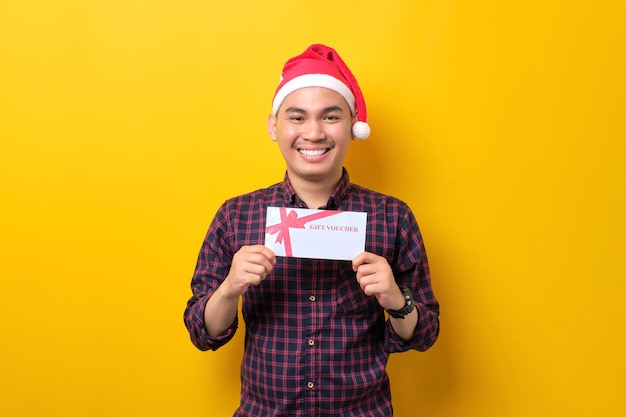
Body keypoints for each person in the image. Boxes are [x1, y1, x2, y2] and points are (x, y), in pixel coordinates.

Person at [184, 44, 440, 417]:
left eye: (331, 117)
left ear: (352, 125)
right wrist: (229, 289)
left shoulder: (393, 216)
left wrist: (397, 301)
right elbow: (201, 331)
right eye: (298, 117)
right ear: (275, 126)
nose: (314, 133)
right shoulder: (235, 216)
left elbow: (424, 334)